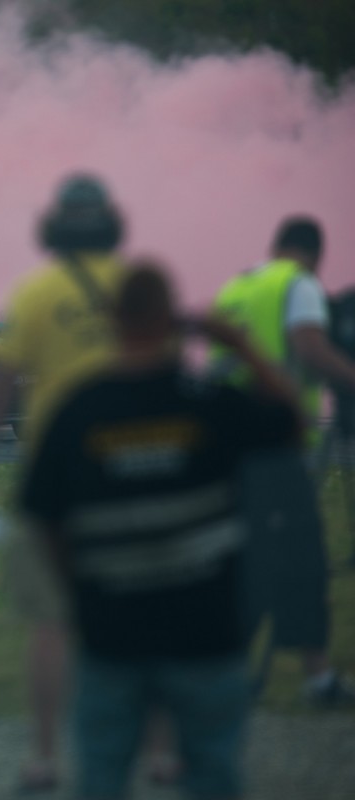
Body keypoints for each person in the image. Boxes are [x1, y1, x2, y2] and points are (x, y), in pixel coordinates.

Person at [21, 263, 301, 800]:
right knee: (214, 774)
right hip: (205, 629)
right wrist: (241, 346)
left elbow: (45, 517)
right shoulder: (207, 401)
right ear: (171, 318)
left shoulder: (78, 409)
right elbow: (291, 421)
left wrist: (81, 588)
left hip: (112, 631)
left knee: (101, 778)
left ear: (113, 320)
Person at [0, 174, 129, 791]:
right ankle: (159, 753)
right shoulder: (137, 288)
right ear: (110, 222)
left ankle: (45, 756)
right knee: (143, 613)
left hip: (56, 477)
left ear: (57, 224)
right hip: (130, 469)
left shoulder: (35, 293)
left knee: (50, 623)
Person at [212, 216, 355, 705]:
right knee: (302, 560)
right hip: (276, 443)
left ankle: (231, 669)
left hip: (230, 445)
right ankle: (317, 678)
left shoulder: (237, 288)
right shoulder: (299, 284)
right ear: (316, 253)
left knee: (249, 556)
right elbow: (311, 349)